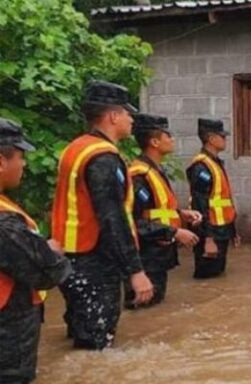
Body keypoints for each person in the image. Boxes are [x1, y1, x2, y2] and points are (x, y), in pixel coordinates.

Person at [52, 80, 154, 350]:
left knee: (81, 336)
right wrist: (135, 271)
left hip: (69, 258)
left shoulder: (76, 148)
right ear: (113, 116)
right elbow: (112, 218)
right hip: (94, 261)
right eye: (127, 113)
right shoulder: (103, 158)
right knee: (97, 346)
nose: (132, 119)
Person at [0, 118, 71, 384]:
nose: (24, 165)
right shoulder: (5, 221)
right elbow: (46, 273)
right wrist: (50, 249)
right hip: (9, 334)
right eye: (20, 156)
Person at [124, 114, 202, 308]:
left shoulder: (155, 170)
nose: (172, 139)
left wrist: (180, 213)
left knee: (154, 307)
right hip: (145, 257)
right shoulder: (139, 176)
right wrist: (175, 231)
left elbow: (154, 210)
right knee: (142, 309)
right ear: (155, 142)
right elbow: (132, 221)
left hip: (157, 254)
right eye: (168, 135)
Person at [186, 118, 239, 279]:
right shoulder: (201, 167)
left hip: (222, 229)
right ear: (211, 139)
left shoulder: (215, 163)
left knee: (218, 274)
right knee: (206, 276)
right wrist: (208, 238)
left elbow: (224, 201)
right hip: (210, 231)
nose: (226, 140)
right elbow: (200, 204)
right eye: (222, 136)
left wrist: (233, 232)